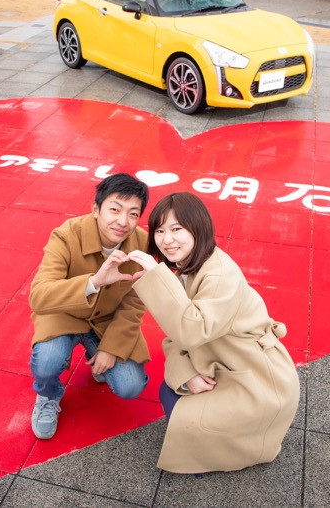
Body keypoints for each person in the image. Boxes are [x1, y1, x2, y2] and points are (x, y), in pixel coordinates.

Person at [127, 192, 300, 473]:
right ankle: (212, 445)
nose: (166, 239)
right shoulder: (192, 267)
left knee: (178, 404)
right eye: (159, 231)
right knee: (173, 392)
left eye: (176, 229)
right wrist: (187, 373)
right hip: (231, 363)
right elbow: (176, 333)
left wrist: (157, 277)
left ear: (198, 228)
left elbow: (190, 331)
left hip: (258, 379)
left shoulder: (219, 274)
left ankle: (239, 448)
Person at [28, 173, 151, 439]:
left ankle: (96, 354)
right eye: (115, 209)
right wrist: (94, 282)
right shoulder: (66, 235)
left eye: (133, 213)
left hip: (107, 321)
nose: (123, 221)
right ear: (96, 209)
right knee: (47, 363)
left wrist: (111, 347)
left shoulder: (143, 244)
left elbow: (135, 302)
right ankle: (48, 395)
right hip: (65, 315)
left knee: (131, 386)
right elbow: (38, 296)